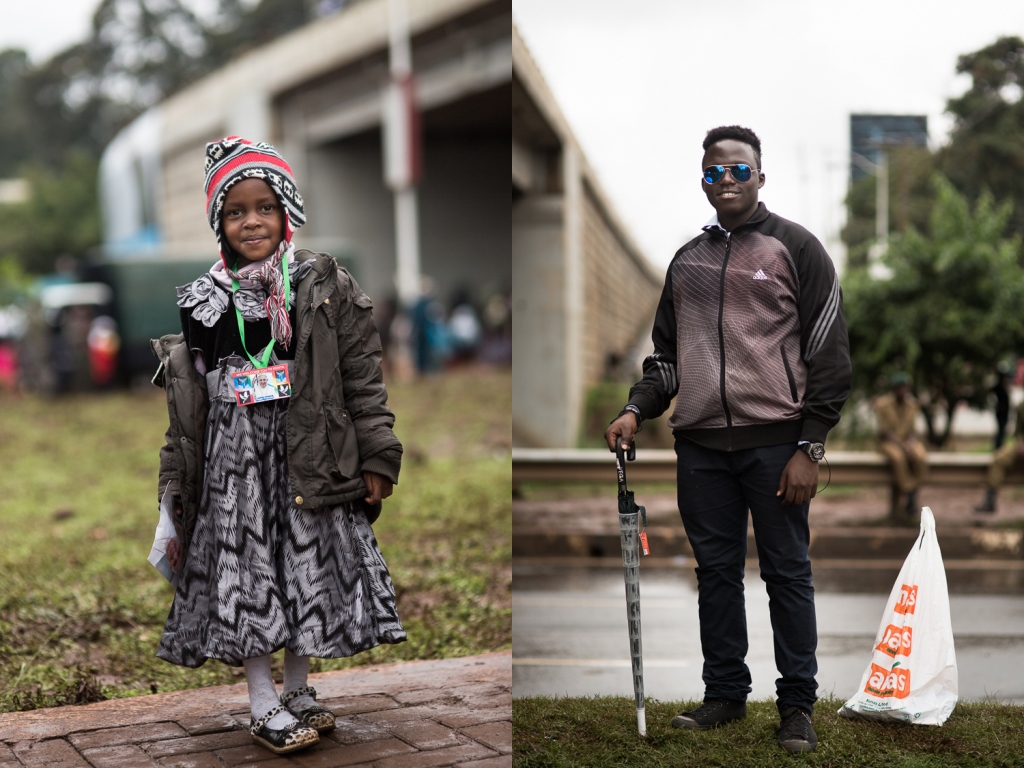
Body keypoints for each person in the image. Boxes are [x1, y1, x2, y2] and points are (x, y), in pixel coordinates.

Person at [152, 136, 405, 756]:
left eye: (264, 206)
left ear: (286, 209)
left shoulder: (322, 283)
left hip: (310, 450)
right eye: (235, 212)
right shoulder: (203, 303)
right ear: (219, 223)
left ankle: (298, 692)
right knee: (250, 573)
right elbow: (190, 409)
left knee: (307, 568)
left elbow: (361, 376)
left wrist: (377, 453)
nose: (252, 221)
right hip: (234, 465)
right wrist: (177, 483)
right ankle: (262, 702)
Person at [604, 126, 851, 755]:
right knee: (714, 574)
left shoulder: (797, 248)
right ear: (704, 181)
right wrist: (637, 408)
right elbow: (667, 360)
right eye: (716, 172)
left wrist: (810, 446)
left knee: (787, 573)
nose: (728, 181)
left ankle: (797, 705)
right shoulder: (687, 261)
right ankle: (725, 695)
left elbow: (829, 356)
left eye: (740, 171)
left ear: (760, 177)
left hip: (778, 446)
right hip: (702, 448)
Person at [874, 372, 928, 519]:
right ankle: (909, 491)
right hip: (889, 442)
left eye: (905, 388)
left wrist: (910, 444)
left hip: (907, 440)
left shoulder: (913, 404)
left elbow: (913, 429)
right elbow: (884, 431)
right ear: (894, 389)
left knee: (920, 455)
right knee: (898, 458)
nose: (902, 391)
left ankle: (914, 490)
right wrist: (901, 445)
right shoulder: (883, 404)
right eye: (899, 388)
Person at [975, 399, 1024, 514]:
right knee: (998, 459)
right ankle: (990, 501)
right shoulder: (1021, 406)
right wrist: (1020, 443)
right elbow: (1018, 432)